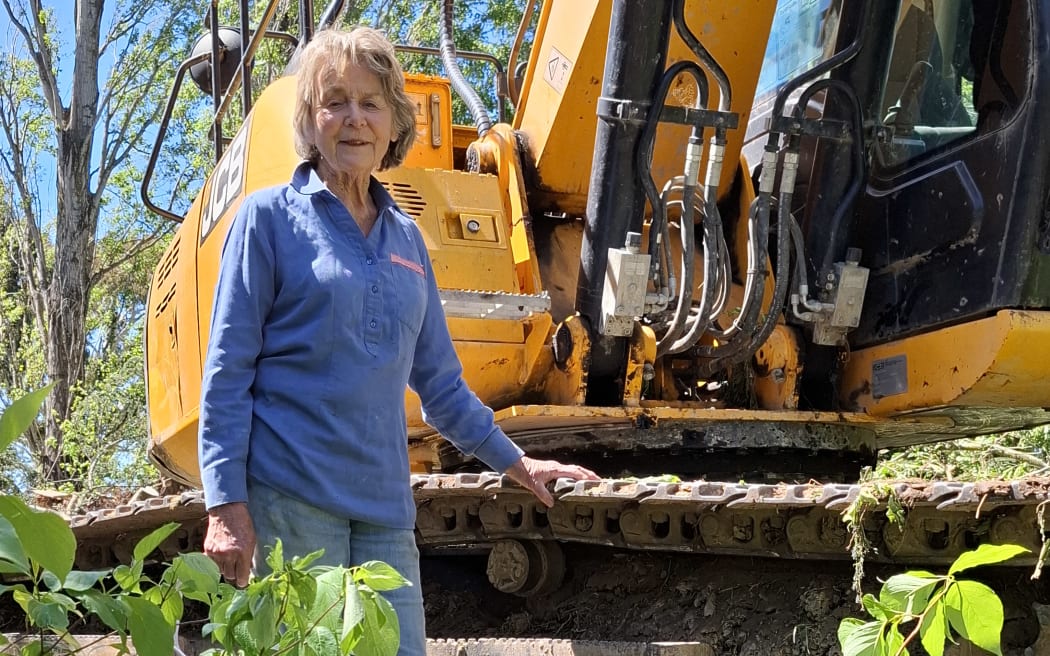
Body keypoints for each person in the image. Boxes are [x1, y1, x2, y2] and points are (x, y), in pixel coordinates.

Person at [197, 25, 600, 656]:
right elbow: (227, 372)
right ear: (310, 120)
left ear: (393, 124)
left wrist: (519, 463)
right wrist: (225, 505)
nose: (354, 119)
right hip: (292, 505)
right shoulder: (266, 220)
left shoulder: (408, 239)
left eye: (371, 103)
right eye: (335, 102)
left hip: (385, 513)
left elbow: (441, 387)